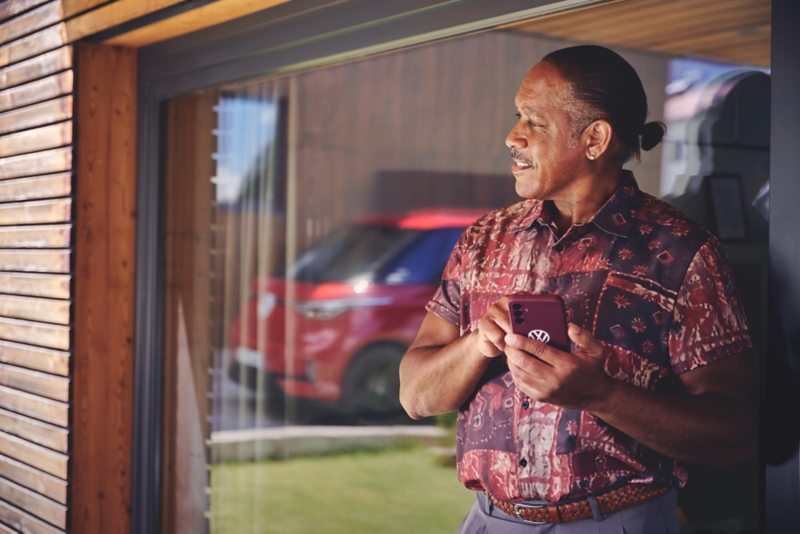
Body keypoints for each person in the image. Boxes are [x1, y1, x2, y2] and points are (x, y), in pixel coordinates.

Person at [398, 45, 756, 533]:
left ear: (595, 138)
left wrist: (601, 394)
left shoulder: (686, 253)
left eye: (533, 121)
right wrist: (477, 343)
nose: (511, 136)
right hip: (489, 522)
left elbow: (734, 436)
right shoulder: (483, 240)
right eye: (516, 117)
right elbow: (416, 396)